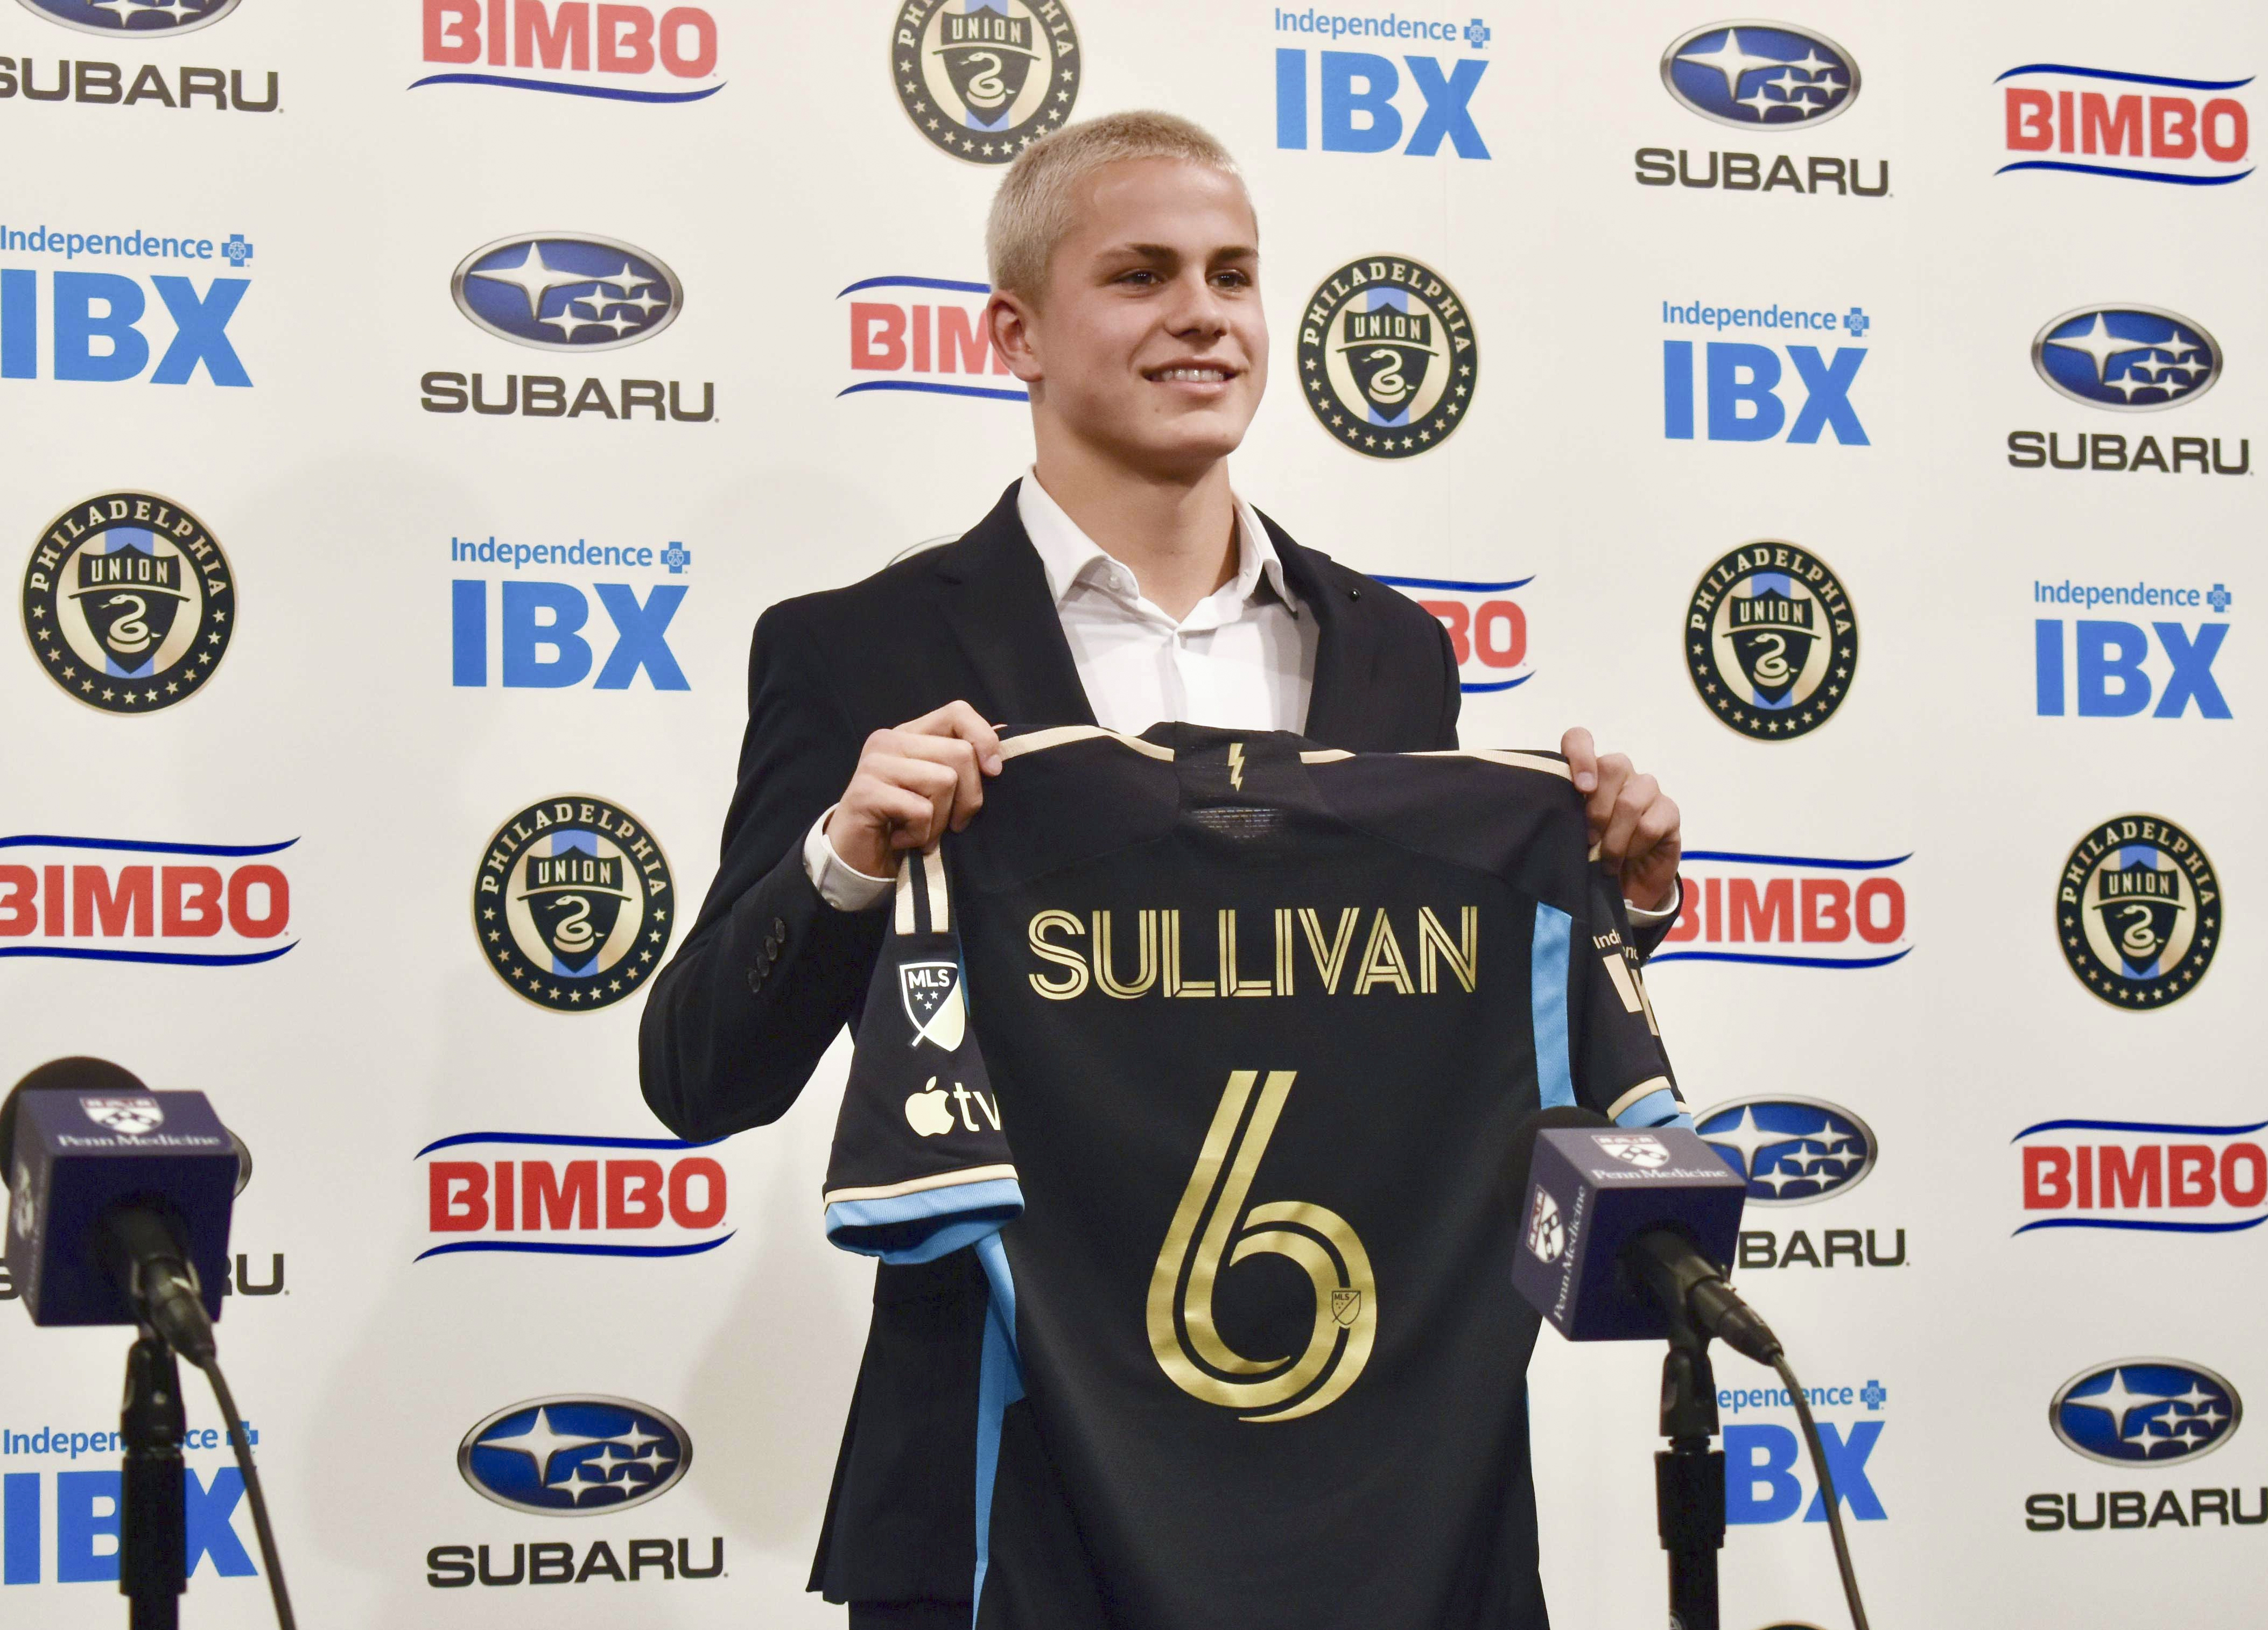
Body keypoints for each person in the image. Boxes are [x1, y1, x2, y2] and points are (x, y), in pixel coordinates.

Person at [637, 110, 1684, 1629]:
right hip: (1017, 1494)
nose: (1203, 312)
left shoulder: (1396, 654)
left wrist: (1618, 897)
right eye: (1140, 274)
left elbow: (1440, 1049)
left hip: (1380, 1479)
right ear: (1019, 333)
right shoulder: (857, 651)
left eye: (1235, 273)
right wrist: (845, 858)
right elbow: (699, 1074)